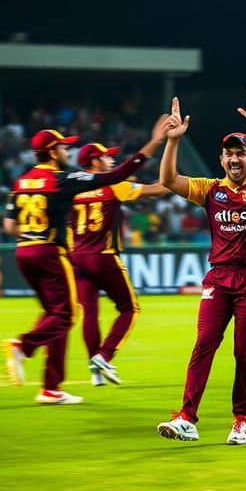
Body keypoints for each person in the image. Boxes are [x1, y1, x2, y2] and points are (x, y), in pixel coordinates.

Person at [156, 87, 246, 444]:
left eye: (241, 154)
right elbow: (168, 180)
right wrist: (172, 142)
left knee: (243, 351)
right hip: (218, 277)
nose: (235, 159)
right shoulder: (210, 189)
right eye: (229, 154)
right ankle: (187, 417)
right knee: (204, 342)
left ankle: (241, 420)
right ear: (220, 159)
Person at [2, 124, 169, 405]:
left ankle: (50, 387)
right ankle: (23, 346)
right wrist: (154, 143)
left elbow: (9, 226)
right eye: (64, 147)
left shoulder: (20, 183)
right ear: (53, 153)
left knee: (56, 316)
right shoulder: (63, 179)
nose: (68, 151)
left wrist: (33, 236)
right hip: (55, 253)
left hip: (24, 251)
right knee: (69, 316)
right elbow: (118, 175)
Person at [70, 118, 171, 387]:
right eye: (106, 157)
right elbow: (159, 189)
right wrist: (176, 177)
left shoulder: (72, 188)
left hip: (76, 257)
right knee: (130, 308)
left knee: (89, 312)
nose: (112, 162)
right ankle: (104, 356)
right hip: (103, 256)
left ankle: (95, 369)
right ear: (94, 162)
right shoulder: (114, 185)